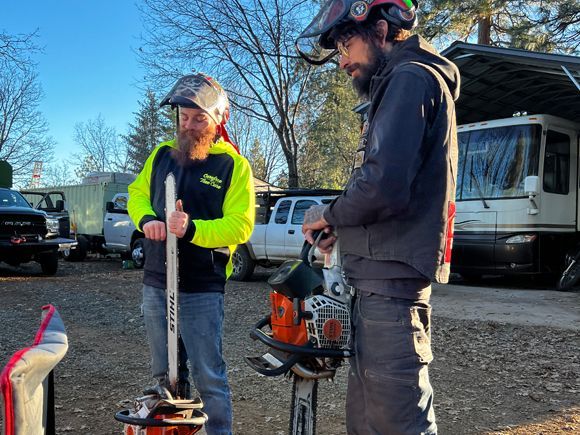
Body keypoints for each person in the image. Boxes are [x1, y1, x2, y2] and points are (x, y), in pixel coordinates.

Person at [296, 1, 460, 433]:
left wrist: (328, 213)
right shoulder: (398, 83)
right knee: (370, 421)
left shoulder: (409, 80)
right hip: (378, 286)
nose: (343, 61)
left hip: (391, 290)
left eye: (347, 43)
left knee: (396, 422)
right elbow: (383, 183)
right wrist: (339, 224)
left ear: (382, 30)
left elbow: (382, 184)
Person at [127, 72, 255, 435]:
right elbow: (136, 194)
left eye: (199, 118)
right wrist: (147, 219)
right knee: (164, 373)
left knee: (208, 375)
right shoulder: (160, 155)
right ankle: (174, 428)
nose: (190, 125)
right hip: (156, 280)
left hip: (202, 286)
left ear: (217, 120)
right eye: (184, 117)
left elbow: (240, 226)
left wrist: (193, 228)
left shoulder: (233, 166)